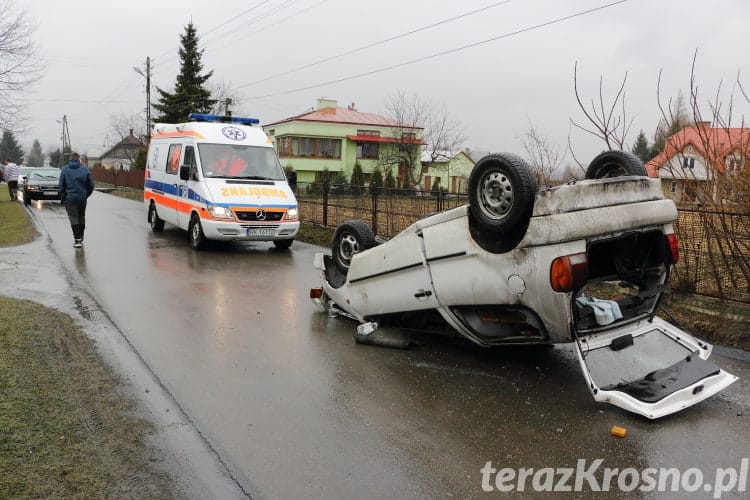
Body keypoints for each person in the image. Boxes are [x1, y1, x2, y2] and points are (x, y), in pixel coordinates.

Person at [59, 152, 95, 248]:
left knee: (73, 217)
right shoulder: (85, 170)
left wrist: (63, 197)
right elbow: (91, 185)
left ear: (70, 158)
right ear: (79, 159)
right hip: (82, 198)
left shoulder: (65, 170)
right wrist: (86, 194)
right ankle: (81, 236)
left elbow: (61, 185)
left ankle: (77, 239)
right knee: (81, 216)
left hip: (70, 198)